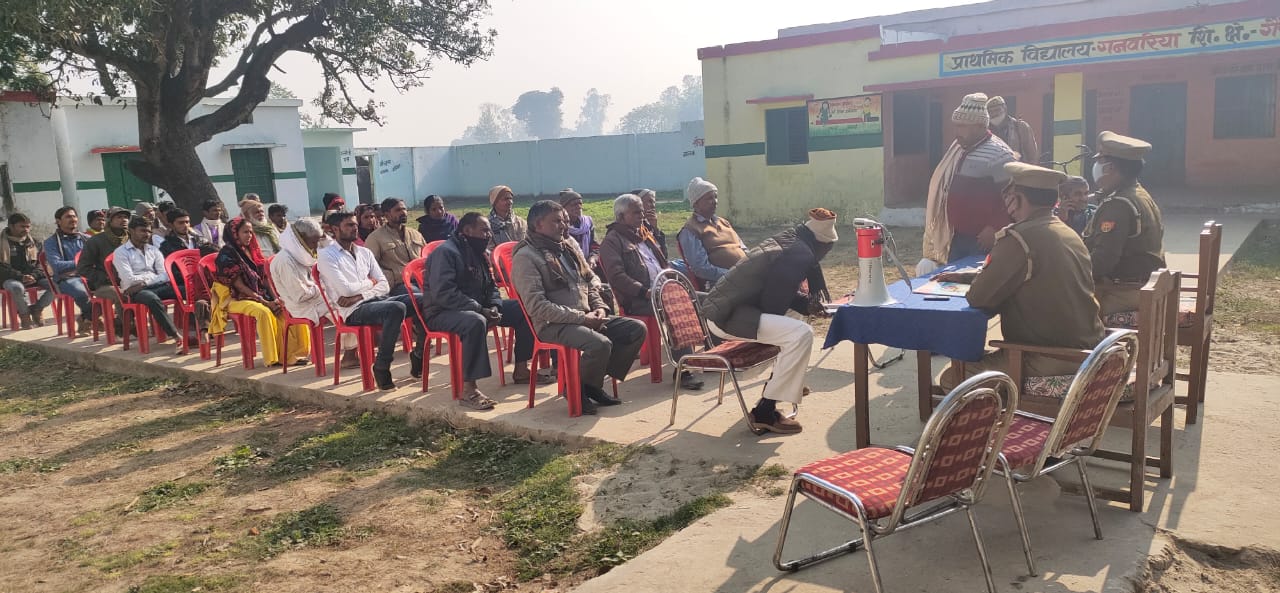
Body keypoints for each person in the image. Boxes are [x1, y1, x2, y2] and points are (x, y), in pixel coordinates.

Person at [936, 162, 1105, 389]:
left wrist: (978, 281)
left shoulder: (1018, 238)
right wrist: (970, 277)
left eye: (1009, 197)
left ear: (1017, 199)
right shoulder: (1066, 232)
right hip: (1088, 351)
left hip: (1051, 358)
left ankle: (1006, 413)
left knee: (954, 378)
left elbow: (978, 298)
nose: (1007, 204)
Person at [700, 208, 838, 435]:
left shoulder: (794, 239)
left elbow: (778, 291)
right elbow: (773, 303)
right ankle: (765, 411)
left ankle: (788, 379)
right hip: (727, 316)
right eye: (829, 248)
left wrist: (806, 306)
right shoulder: (799, 254)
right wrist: (804, 304)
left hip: (735, 308)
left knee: (798, 319)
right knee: (801, 334)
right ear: (823, 244)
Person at [511, 200, 647, 415]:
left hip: (585, 315)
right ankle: (577, 390)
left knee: (635, 329)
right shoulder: (526, 257)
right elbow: (537, 306)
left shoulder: (567, 246)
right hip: (552, 324)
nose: (564, 226)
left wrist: (599, 307)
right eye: (556, 221)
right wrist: (582, 318)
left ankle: (590, 385)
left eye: (564, 221)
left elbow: (588, 281)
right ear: (538, 225)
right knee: (600, 344)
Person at [420, 212, 553, 409]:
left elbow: (491, 286)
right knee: (475, 321)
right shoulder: (446, 253)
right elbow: (444, 293)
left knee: (523, 308)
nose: (488, 235)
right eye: (484, 231)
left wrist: (494, 306)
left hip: (478, 307)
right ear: (467, 231)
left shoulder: (479, 252)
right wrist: (480, 309)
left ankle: (521, 370)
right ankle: (469, 390)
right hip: (442, 311)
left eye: (489, 231)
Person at [599, 194, 704, 390]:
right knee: (676, 307)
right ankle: (684, 371)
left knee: (703, 300)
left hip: (663, 289)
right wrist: (645, 292)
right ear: (621, 217)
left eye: (642, 211)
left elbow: (663, 261)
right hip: (638, 299)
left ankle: (712, 355)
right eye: (636, 212)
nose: (642, 215)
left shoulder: (644, 234)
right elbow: (617, 277)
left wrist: (656, 232)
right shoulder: (612, 242)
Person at [918, 92, 1017, 275]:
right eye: (956, 126)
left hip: (983, 240)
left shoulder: (1000, 155)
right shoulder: (959, 150)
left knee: (979, 284)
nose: (957, 133)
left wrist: (995, 227)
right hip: (958, 237)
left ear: (980, 126)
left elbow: (1013, 196)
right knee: (953, 284)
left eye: (962, 127)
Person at [317, 211, 414, 390]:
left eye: (355, 224)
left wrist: (362, 294)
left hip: (374, 300)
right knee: (397, 308)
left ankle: (418, 356)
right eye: (349, 225)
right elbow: (345, 290)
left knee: (420, 299)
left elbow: (384, 284)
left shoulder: (364, 252)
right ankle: (382, 366)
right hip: (352, 310)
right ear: (335, 229)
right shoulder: (326, 255)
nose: (355, 228)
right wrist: (370, 282)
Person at [209, 216, 309, 367]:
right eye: (245, 232)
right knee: (264, 313)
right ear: (234, 234)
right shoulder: (226, 255)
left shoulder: (252, 251)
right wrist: (265, 303)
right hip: (234, 298)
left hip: (258, 294)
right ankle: (273, 358)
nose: (249, 235)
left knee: (288, 307)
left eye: (251, 232)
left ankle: (294, 354)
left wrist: (275, 299)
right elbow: (240, 287)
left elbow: (265, 279)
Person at [1084, 131, 1166, 315]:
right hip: (1146, 287)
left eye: (1099, 162)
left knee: (1057, 305)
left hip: (1123, 291)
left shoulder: (1118, 205)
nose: (1095, 167)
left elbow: (1102, 261)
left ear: (1110, 168)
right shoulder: (1139, 194)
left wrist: (1070, 273)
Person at [112, 216, 182, 346]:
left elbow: (165, 275)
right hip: (135, 292)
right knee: (152, 299)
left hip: (152, 286)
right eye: (143, 231)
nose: (147, 234)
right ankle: (175, 335)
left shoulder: (153, 250)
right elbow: (129, 279)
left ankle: (201, 330)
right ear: (131, 231)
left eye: (149, 231)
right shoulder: (121, 252)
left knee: (186, 290)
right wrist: (154, 278)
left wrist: (146, 282)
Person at [678, 177, 747, 287]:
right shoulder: (690, 230)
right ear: (696, 203)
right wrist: (732, 275)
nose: (715, 201)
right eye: (709, 198)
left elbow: (743, 248)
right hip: (722, 284)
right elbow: (701, 268)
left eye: (715, 197)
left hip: (745, 275)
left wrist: (752, 265)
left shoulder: (724, 222)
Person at [76, 207, 132, 326]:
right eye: (119, 217)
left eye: (126, 217)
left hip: (131, 280)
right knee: (122, 295)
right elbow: (82, 268)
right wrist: (105, 277)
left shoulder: (133, 238)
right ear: (110, 220)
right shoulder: (96, 241)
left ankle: (119, 324)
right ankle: (129, 327)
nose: (124, 220)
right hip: (105, 285)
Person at [43, 207, 93, 335]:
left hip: (89, 275)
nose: (73, 219)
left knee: (113, 291)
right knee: (81, 293)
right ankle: (94, 319)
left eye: (74, 216)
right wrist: (81, 262)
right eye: (68, 217)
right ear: (58, 221)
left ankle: (86, 319)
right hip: (67, 279)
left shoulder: (87, 239)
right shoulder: (51, 242)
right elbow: (57, 266)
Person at [1, 213, 53, 329]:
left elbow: (42, 263)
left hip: (34, 277)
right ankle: (24, 315)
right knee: (17, 288)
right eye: (22, 226)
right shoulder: (1, 243)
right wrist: (21, 276)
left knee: (57, 284)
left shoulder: (34, 242)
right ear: (11, 226)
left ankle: (37, 309)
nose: (26, 229)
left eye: (28, 226)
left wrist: (34, 275)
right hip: (10, 278)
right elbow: (2, 268)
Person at [365, 198, 426, 296]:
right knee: (421, 296)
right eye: (398, 210)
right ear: (387, 215)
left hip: (423, 280)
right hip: (399, 285)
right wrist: (389, 276)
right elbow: (369, 266)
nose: (403, 213)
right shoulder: (375, 238)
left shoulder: (415, 234)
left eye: (404, 209)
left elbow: (426, 257)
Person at [987, 96, 1040, 164]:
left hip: (1016, 168)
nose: (994, 114)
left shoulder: (1020, 127)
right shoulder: (985, 130)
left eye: (997, 110)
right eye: (990, 111)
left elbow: (1032, 155)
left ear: (1005, 109)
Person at [560, 189, 598, 264]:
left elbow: (595, 246)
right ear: (563, 208)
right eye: (573, 204)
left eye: (580, 203)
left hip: (589, 263)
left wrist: (593, 258)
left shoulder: (587, 222)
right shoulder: (560, 226)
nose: (578, 207)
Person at [631, 188, 667, 258]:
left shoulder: (647, 227)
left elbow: (664, 256)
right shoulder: (625, 230)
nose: (653, 206)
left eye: (654, 202)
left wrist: (655, 229)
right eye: (650, 201)